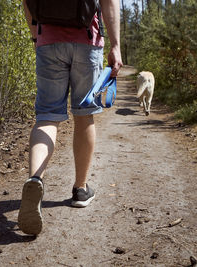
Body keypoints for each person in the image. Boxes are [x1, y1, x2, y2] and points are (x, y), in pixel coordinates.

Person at [18, 0, 123, 235]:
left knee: (47, 116)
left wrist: (36, 37)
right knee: (84, 116)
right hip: (87, 42)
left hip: (48, 42)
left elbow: (27, 2)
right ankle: (80, 189)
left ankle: (35, 179)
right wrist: (115, 45)